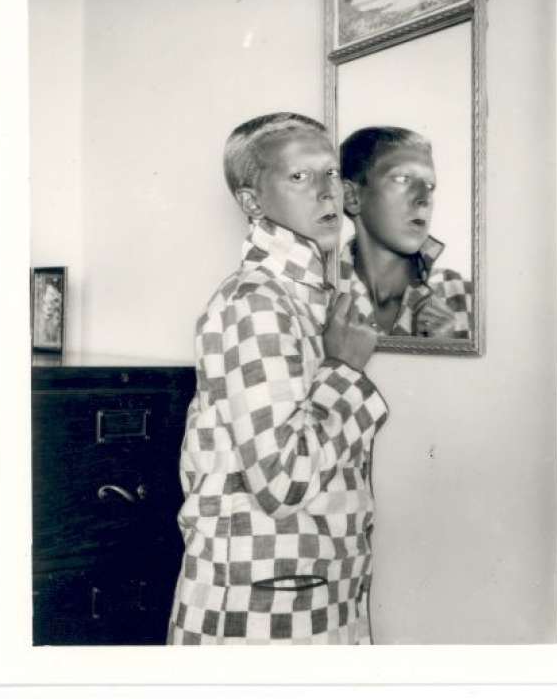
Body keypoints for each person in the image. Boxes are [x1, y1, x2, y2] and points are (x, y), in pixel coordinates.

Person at [167, 112, 388, 645]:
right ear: (250, 202)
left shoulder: (307, 297)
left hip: (314, 592)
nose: (326, 191)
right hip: (259, 608)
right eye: (299, 177)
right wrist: (345, 370)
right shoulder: (255, 304)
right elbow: (282, 482)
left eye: (331, 173)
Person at [339, 126, 472, 339]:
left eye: (429, 186)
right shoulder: (315, 299)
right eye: (402, 179)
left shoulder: (468, 299)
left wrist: (449, 351)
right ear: (351, 197)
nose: (424, 198)